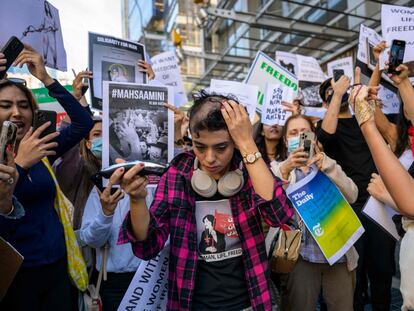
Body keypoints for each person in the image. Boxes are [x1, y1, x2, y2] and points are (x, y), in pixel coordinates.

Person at [116, 91, 293, 310]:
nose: (209, 158)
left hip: (250, 303)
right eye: (200, 146)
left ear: (235, 142)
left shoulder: (250, 171)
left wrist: (247, 143)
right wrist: (136, 200)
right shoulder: (177, 174)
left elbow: (279, 215)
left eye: (221, 147)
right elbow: (148, 246)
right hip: (191, 304)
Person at [0, 45, 93, 311]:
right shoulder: (25, 157)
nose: (17, 113)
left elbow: (83, 124)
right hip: (16, 277)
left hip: (56, 269)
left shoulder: (42, 150)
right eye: (5, 106)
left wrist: (46, 78)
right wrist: (20, 165)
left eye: (23, 105)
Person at [316, 72, 395, 311]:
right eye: (330, 92)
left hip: (378, 205)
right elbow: (326, 136)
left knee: (382, 271)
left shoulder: (363, 120)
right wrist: (337, 92)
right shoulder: (325, 126)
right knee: (354, 276)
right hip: (346, 209)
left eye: (339, 89)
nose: (336, 93)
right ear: (324, 102)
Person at [271, 114, 358, 311]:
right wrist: (285, 170)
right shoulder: (278, 169)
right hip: (301, 257)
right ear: (286, 141)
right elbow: (268, 201)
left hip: (338, 256)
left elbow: (353, 195)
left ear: (314, 138)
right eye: (293, 133)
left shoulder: (327, 165)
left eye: (305, 132)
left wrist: (326, 165)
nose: (299, 136)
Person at [349, 64, 414, 311]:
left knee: (384, 273)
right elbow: (371, 113)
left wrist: (387, 195)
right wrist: (377, 68)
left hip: (399, 219)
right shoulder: (399, 137)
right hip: (392, 222)